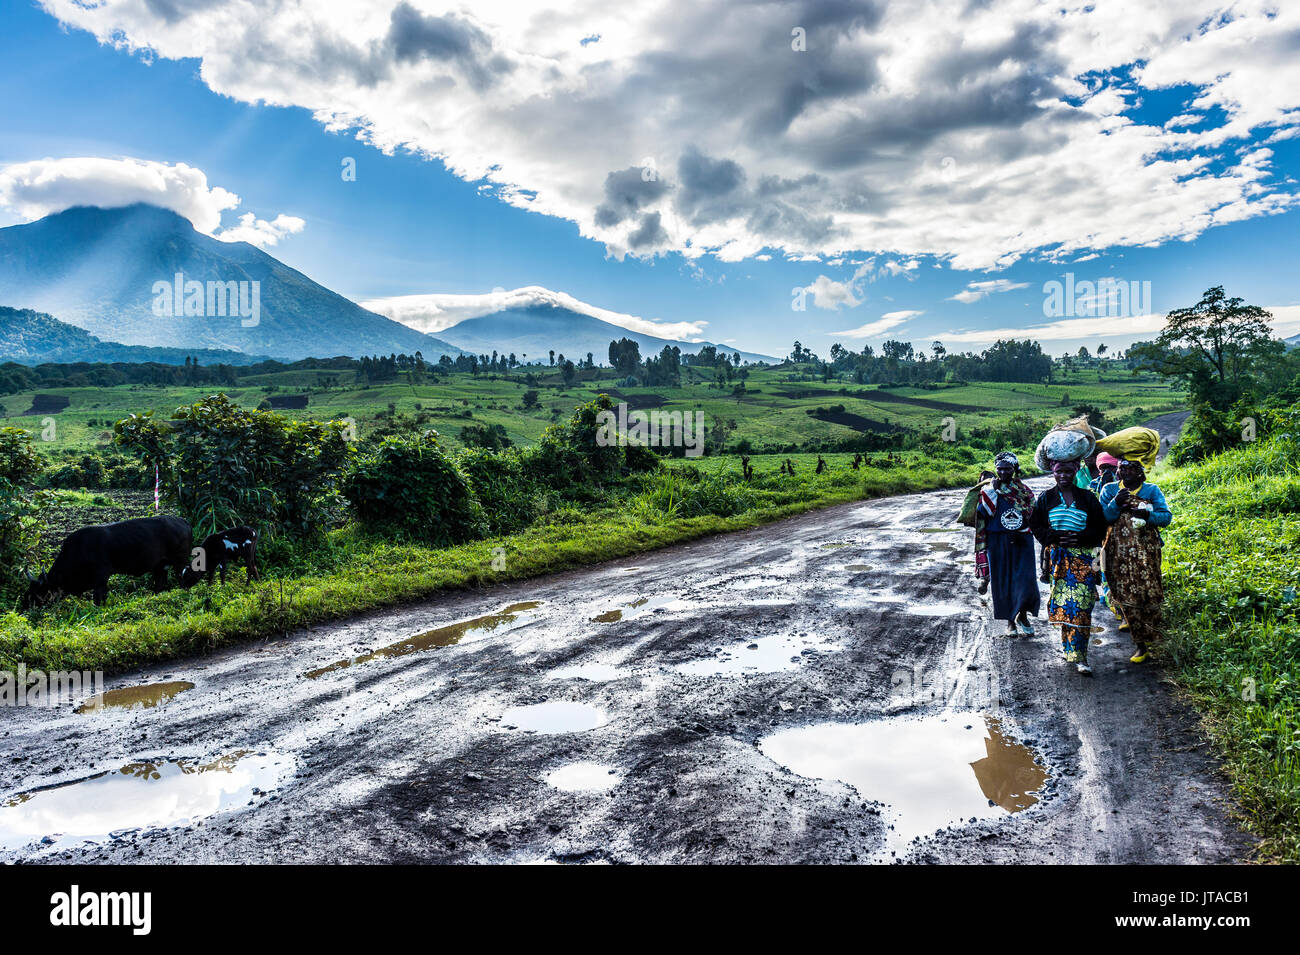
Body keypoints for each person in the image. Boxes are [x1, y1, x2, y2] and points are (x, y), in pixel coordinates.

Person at [1030, 458, 1108, 675]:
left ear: (1075, 472)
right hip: (1058, 560)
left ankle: (1081, 656)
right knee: (1065, 605)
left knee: (1082, 606)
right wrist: (1053, 537)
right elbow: (1035, 524)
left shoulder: (1087, 498)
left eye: (1067, 471)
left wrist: (1080, 538)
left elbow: (1100, 529)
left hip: (1084, 560)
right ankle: (1070, 649)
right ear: (1053, 473)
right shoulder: (1046, 498)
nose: (1063, 476)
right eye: (1058, 472)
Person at [1099, 458, 1172, 663]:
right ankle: (1140, 645)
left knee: (1149, 592)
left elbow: (1165, 517)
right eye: (1123, 469)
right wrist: (1116, 503)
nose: (1127, 473)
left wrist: (1147, 515)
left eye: (1132, 469)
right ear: (1118, 472)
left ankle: (1154, 637)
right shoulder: (1109, 490)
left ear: (1140, 473)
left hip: (1146, 552)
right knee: (1125, 594)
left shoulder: (1151, 490)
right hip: (1117, 552)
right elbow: (1102, 518)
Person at [975, 452, 1039, 636]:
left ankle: (1023, 616)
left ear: (1015, 469)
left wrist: (1024, 530)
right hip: (998, 540)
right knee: (1004, 581)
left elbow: (1031, 512)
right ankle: (1010, 621)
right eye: (999, 469)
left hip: (1022, 539)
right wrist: (992, 490)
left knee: (1025, 580)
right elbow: (983, 513)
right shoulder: (989, 489)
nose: (1003, 472)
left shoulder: (1023, 489)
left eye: (1007, 469)